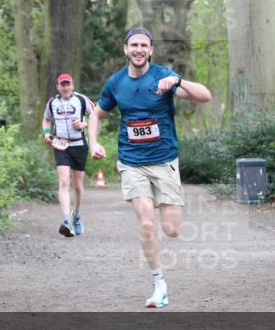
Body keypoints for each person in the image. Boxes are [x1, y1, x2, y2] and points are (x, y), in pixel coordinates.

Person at [89, 27, 212, 308]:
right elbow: (97, 113)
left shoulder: (162, 76)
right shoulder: (116, 83)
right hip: (132, 162)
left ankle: (167, 224)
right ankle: (159, 285)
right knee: (146, 223)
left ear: (151, 50)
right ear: (126, 49)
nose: (139, 49)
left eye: (144, 45)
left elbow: (205, 96)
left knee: (171, 230)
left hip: (164, 160)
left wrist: (177, 80)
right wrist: (92, 142)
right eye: (134, 45)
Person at [42, 73, 95, 237]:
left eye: (68, 84)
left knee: (78, 185)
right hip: (61, 144)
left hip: (79, 144)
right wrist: (46, 133)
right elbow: (46, 119)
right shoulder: (52, 103)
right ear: (58, 87)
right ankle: (66, 221)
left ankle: (76, 215)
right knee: (64, 181)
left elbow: (95, 116)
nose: (65, 87)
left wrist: (84, 123)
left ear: (72, 86)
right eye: (62, 85)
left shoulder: (81, 100)